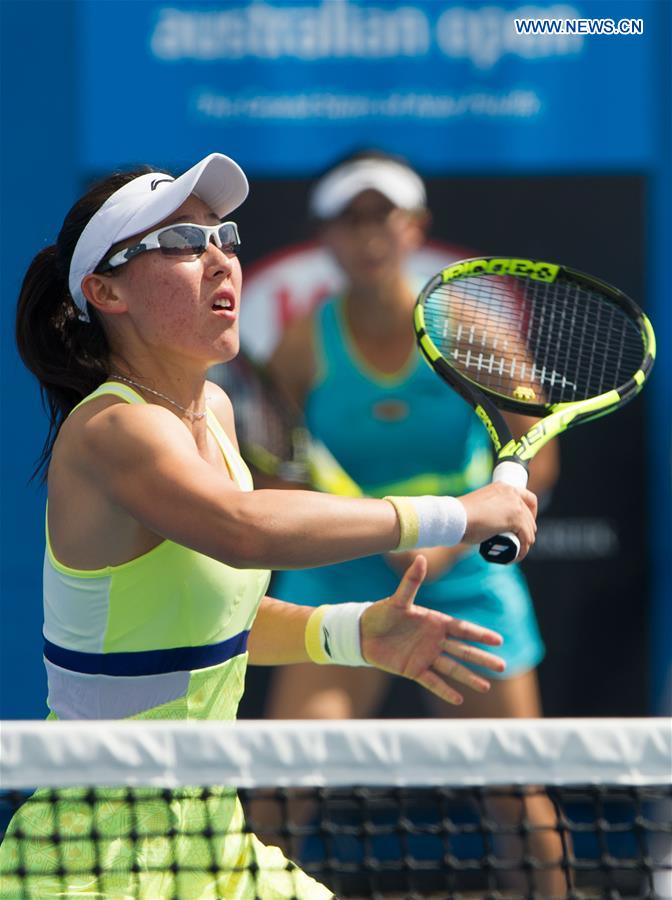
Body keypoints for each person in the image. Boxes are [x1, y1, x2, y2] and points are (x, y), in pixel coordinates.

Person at [0, 153, 538, 898]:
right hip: (98, 853)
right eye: (183, 244)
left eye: (224, 237)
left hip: (214, 838)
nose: (219, 258)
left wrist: (353, 633)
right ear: (104, 290)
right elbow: (245, 528)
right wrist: (455, 516)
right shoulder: (113, 431)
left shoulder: (216, 414)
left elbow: (220, 624)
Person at [264, 150, 564, 894]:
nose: (368, 237)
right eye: (349, 220)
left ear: (414, 229)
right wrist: (373, 530)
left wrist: (453, 544)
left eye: (383, 218)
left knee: (518, 796)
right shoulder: (302, 347)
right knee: (278, 786)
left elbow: (538, 455)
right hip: (343, 580)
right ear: (325, 236)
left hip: (465, 575)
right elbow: (279, 472)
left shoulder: (469, 329)